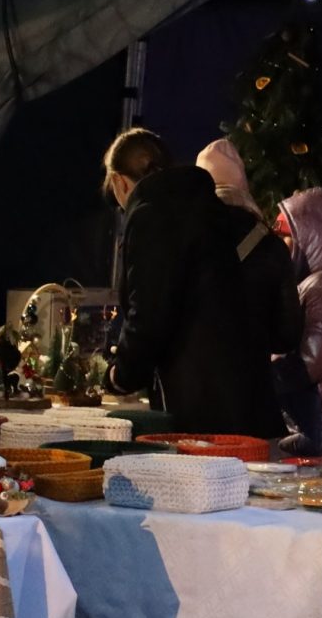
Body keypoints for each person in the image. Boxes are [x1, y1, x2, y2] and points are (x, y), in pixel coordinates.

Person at [102, 129, 289, 436]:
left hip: (198, 405)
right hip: (250, 399)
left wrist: (121, 374)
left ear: (121, 182)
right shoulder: (212, 209)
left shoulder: (151, 217)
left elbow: (148, 312)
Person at [193, 137, 314, 448]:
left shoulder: (184, 240)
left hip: (189, 406)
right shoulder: (269, 244)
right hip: (251, 405)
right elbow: (286, 335)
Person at [278, 187, 322, 450]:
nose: (283, 246)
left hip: (319, 427)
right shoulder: (314, 284)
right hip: (314, 422)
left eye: (287, 237)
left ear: (311, 236)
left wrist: (264, 377)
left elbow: (313, 362)